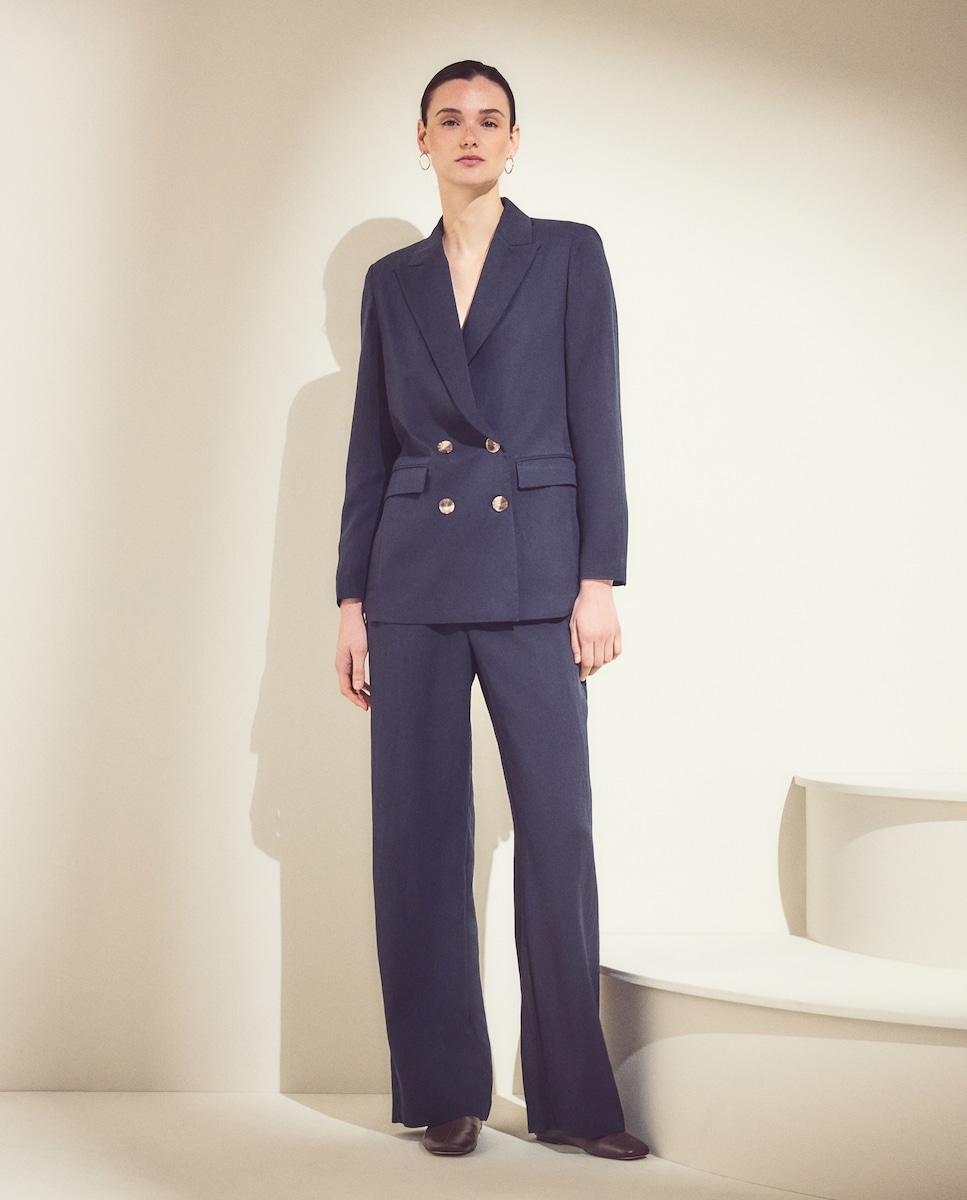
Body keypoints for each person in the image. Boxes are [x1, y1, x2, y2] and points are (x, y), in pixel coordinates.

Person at [334, 60, 647, 1162]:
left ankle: (574, 1101)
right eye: (449, 119)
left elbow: (597, 415)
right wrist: (352, 600)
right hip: (413, 580)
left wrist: (597, 577)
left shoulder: (565, 254)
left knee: (556, 832)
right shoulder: (392, 282)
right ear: (420, 138)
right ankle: (443, 1090)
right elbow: (370, 449)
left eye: (490, 120)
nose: (470, 135)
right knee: (417, 838)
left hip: (532, 573)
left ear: (515, 142)